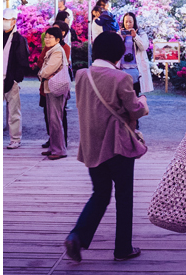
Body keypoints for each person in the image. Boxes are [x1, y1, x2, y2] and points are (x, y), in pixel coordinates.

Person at [64, 31, 149, 263]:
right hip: (118, 144)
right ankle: (123, 248)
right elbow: (134, 110)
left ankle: (77, 236)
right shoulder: (121, 78)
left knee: (100, 194)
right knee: (124, 196)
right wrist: (143, 103)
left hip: (92, 144)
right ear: (118, 53)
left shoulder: (82, 75)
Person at [39, 27, 70, 160]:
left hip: (55, 88)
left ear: (57, 39)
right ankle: (53, 146)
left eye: (50, 37)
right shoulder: (53, 50)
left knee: (55, 119)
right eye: (46, 37)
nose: (47, 39)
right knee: (52, 119)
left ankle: (59, 150)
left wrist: (40, 74)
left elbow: (47, 70)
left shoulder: (57, 51)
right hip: (51, 87)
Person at [3, 8, 30, 149]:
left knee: (14, 111)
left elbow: (23, 61)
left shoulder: (19, 39)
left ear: (13, 21)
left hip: (10, 78)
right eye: (2, 19)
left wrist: (16, 79)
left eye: (6, 20)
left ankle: (15, 139)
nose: (4, 22)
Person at [119, 12, 154, 95]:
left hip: (136, 70)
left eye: (130, 22)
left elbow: (144, 47)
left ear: (134, 22)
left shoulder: (141, 34)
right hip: (122, 70)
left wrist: (135, 37)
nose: (128, 24)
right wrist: (120, 38)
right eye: (126, 21)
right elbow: (114, 49)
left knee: (135, 95)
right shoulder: (119, 34)